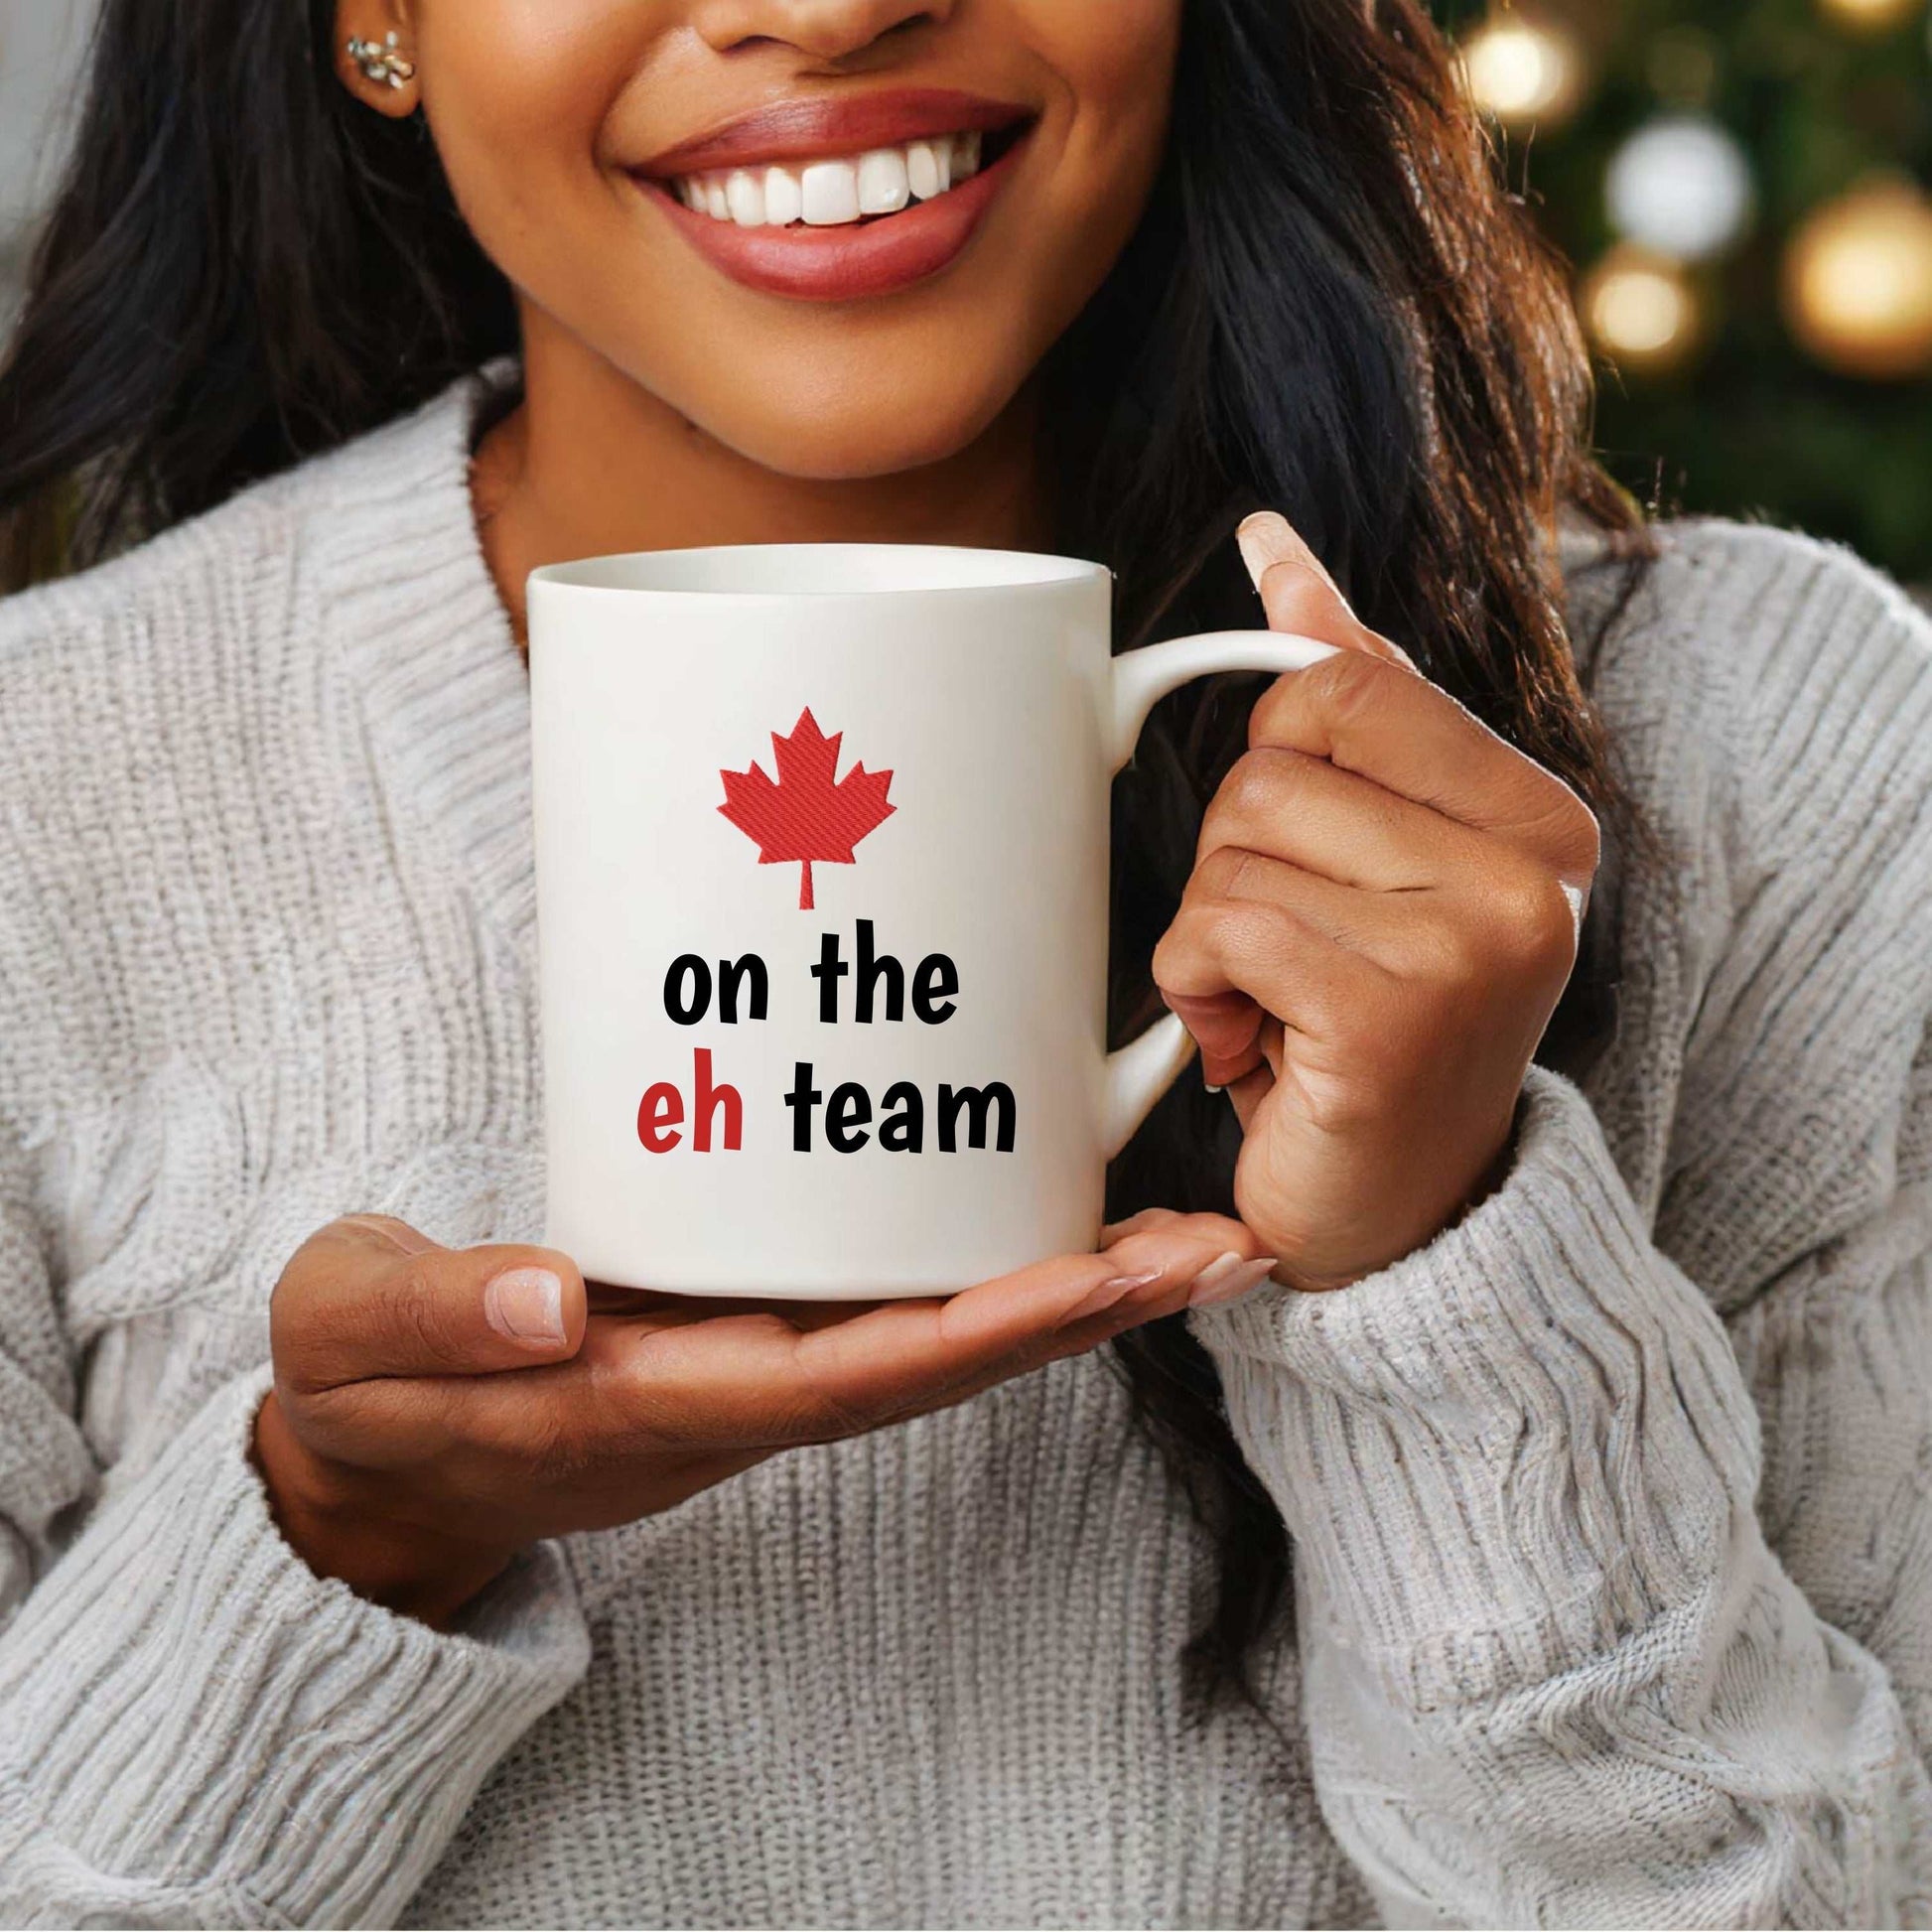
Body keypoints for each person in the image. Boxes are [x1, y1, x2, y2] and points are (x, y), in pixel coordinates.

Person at [0, 0, 1928, 1924]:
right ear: (376, 20)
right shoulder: (49, 801)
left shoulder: (1770, 757)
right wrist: (337, 1541)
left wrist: (1447, 1271)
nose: (828, 10)